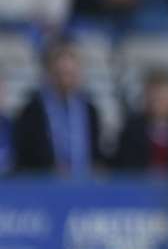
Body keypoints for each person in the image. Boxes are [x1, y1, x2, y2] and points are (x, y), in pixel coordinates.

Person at [11, 40, 104, 176]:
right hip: (45, 188)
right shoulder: (33, 111)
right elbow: (25, 155)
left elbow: (96, 153)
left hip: (83, 185)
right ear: (50, 74)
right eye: (61, 74)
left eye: (70, 74)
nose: (65, 80)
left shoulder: (90, 110)